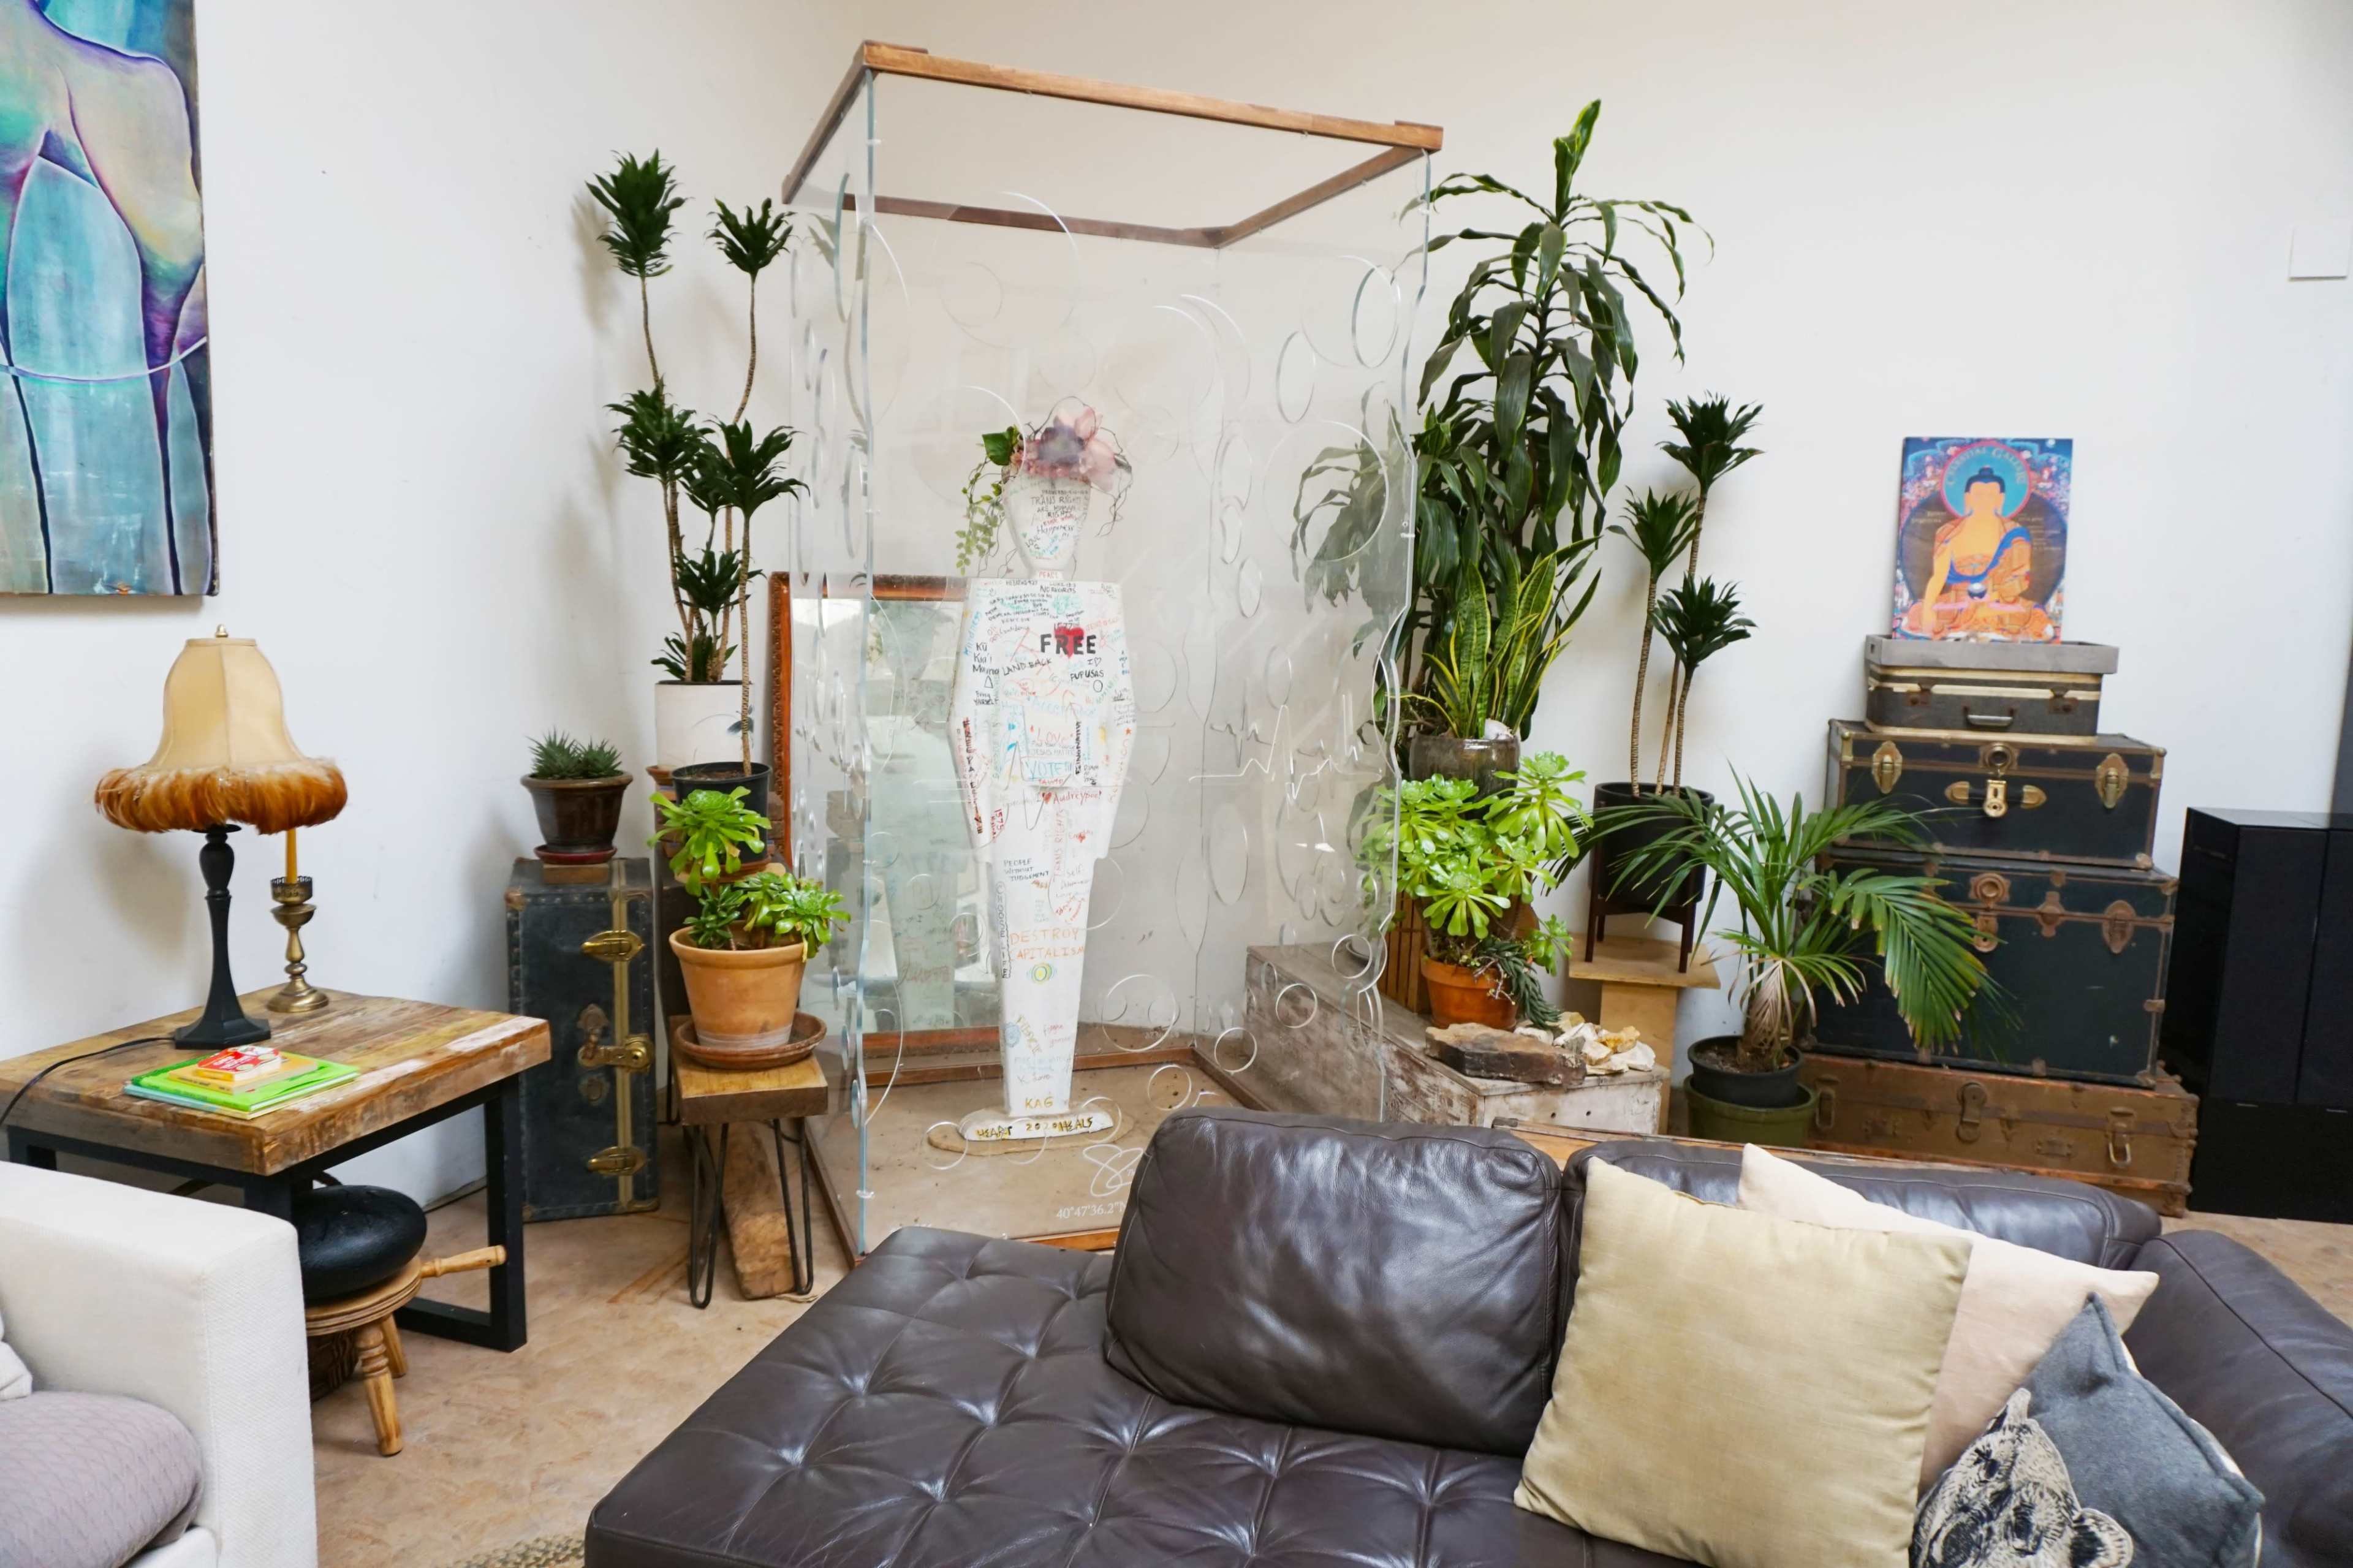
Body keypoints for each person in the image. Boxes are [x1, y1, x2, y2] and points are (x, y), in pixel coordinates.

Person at [1901, 466, 2053, 640]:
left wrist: (1993, 596)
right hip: (1957, 602)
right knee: (1918, 612)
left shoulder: (2015, 533)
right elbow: (1938, 577)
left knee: (2034, 618)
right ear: (1968, 498)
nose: (1984, 500)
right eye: (1979, 494)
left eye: (1991, 495)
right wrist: (1928, 609)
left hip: (1998, 602)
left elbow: (2022, 579)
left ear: (2000, 499)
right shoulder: (1948, 531)